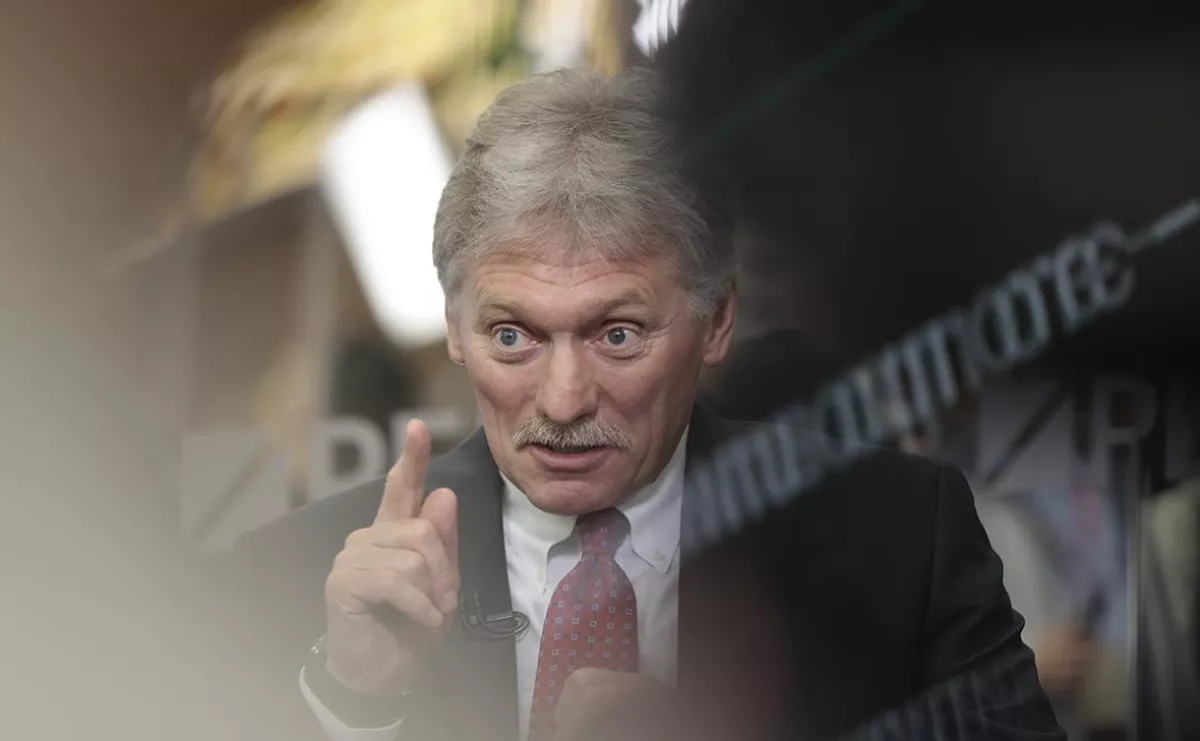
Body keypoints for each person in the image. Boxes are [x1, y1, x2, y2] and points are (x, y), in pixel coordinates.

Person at [227, 67, 1064, 741]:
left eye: (617, 334)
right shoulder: (302, 579)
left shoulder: (900, 541)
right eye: (513, 336)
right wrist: (355, 703)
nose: (563, 400)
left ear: (717, 319)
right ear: (454, 328)